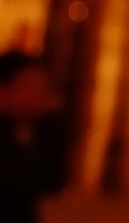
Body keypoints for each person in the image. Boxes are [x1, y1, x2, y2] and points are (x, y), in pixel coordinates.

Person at [0, 50, 63, 223]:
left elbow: (51, 182)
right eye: (28, 85)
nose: (36, 94)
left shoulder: (34, 131)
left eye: (41, 87)